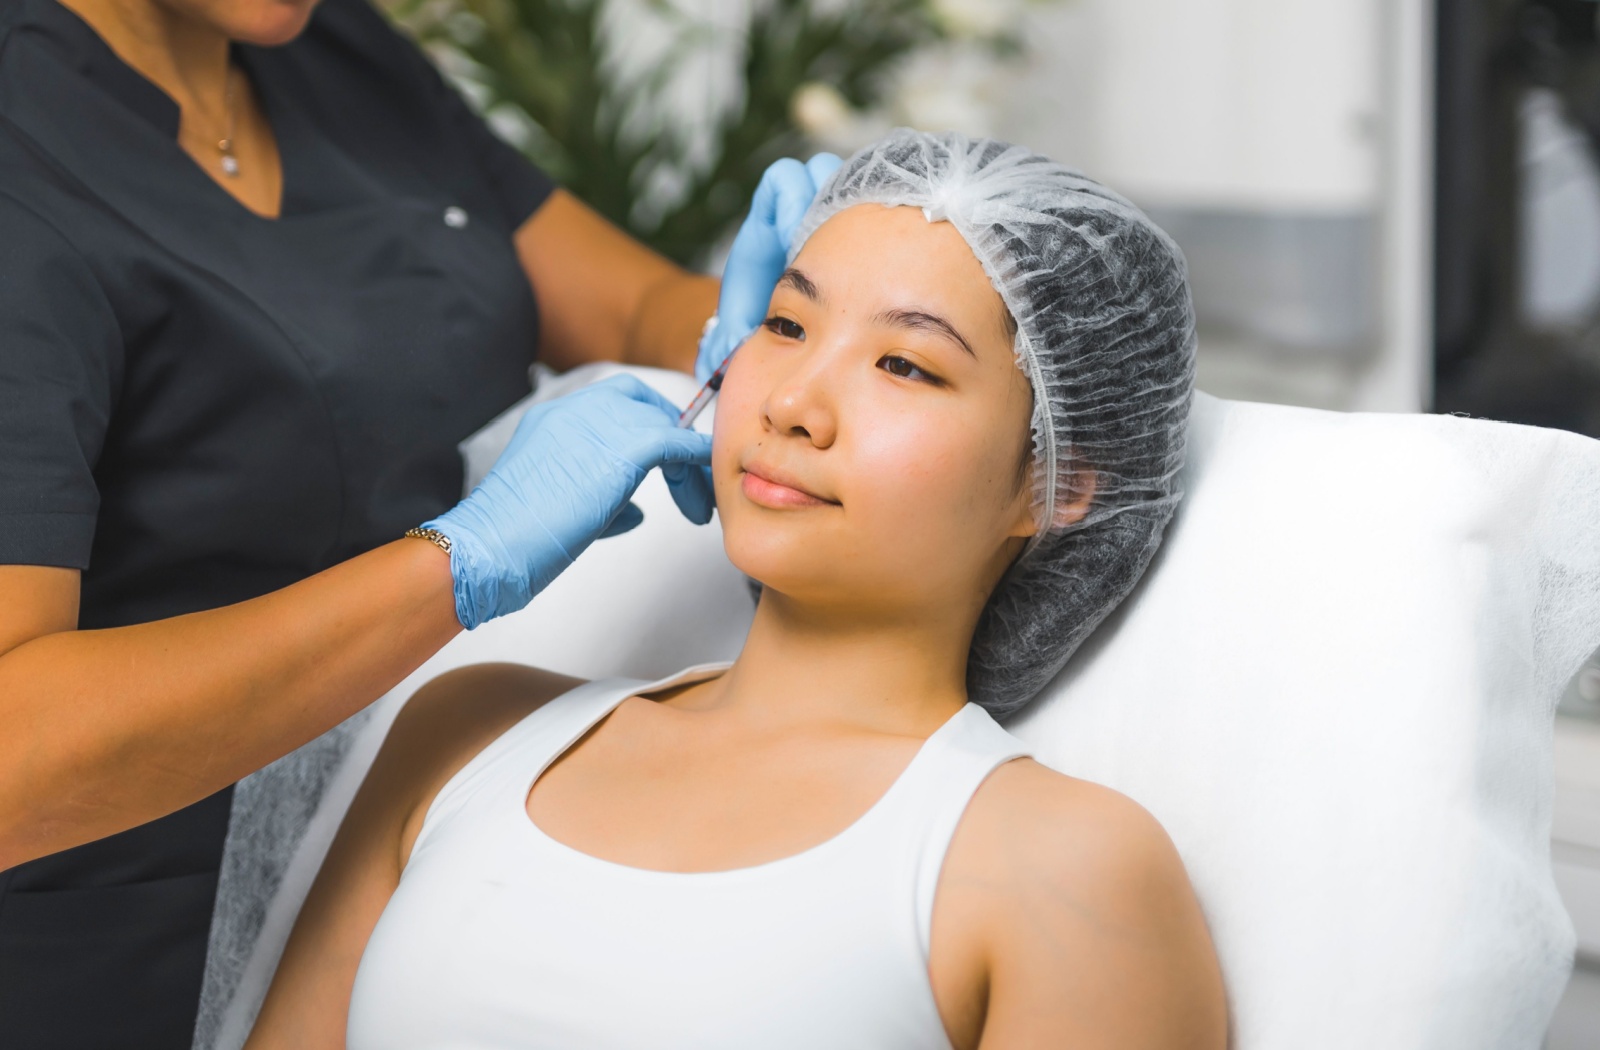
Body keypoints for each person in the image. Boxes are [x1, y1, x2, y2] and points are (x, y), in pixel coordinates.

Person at [243, 130, 1228, 1049]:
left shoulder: (1060, 865)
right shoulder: (465, 731)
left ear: (1053, 486)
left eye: (902, 363)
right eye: (785, 324)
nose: (793, 402)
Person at [0, 0, 837, 1039]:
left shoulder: (327, 48)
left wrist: (784, 322)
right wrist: (454, 566)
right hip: (129, 967)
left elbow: (630, 309)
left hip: (431, 901)